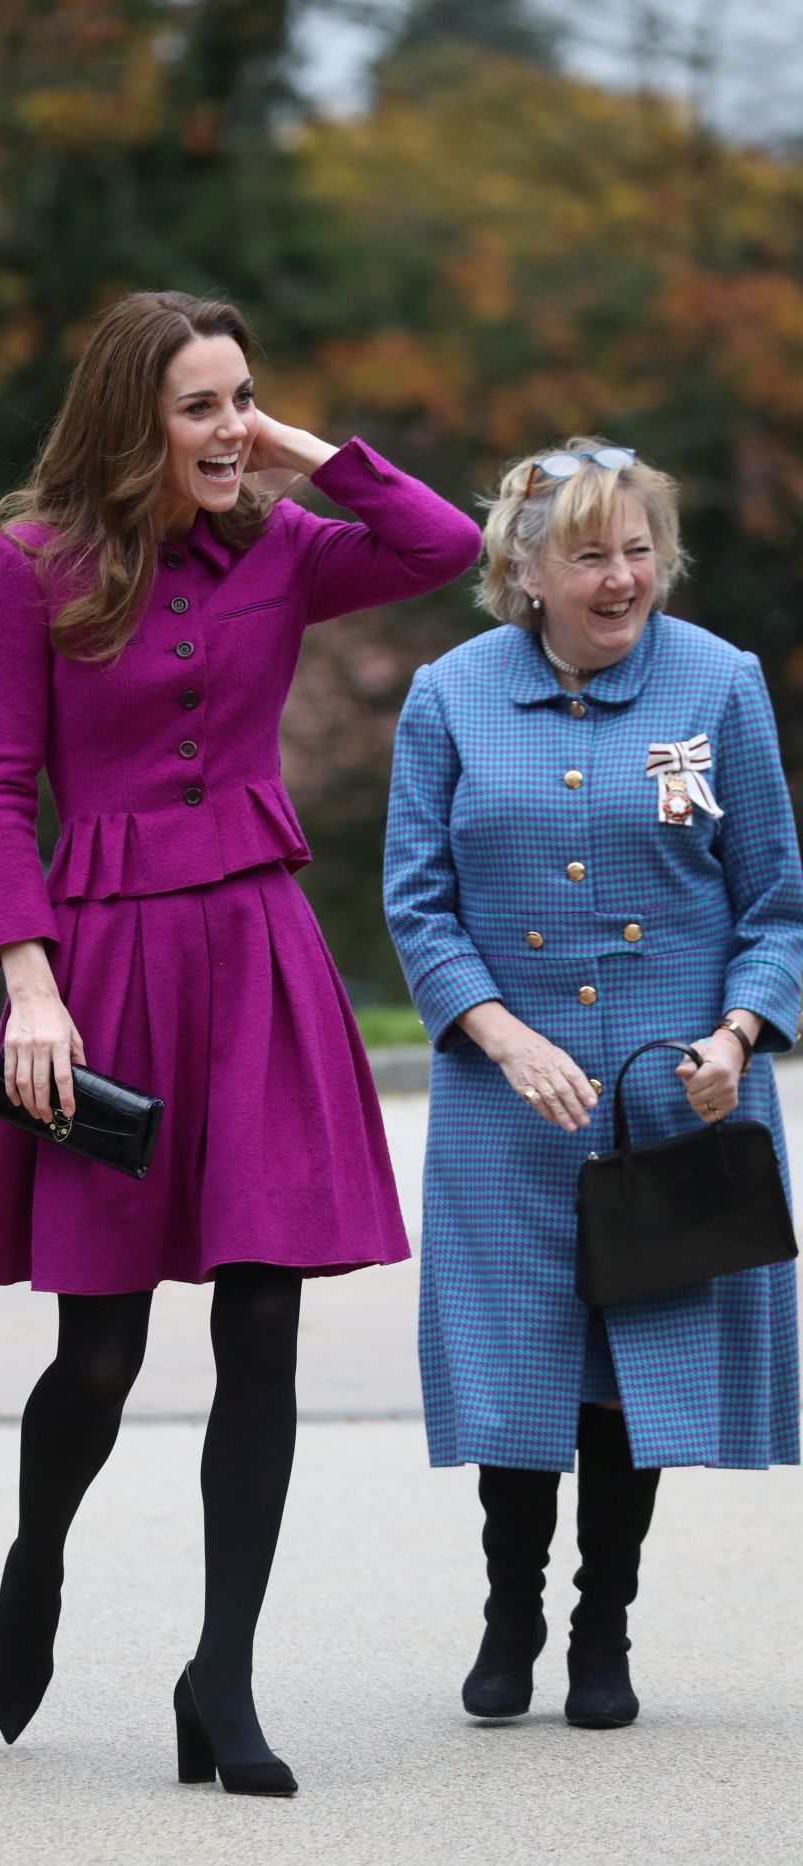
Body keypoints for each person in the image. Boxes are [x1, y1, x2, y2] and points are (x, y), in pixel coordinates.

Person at [0, 289, 482, 1793]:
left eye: (245, 395)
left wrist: (299, 451)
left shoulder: (289, 548)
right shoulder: (29, 569)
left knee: (263, 1325)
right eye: (201, 405)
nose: (232, 426)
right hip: (103, 970)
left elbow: (449, 546)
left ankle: (221, 1677)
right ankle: (38, 1556)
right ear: (130, 420)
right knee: (97, 1351)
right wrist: (30, 986)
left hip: (256, 957)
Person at [383, 438, 803, 1733]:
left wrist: (738, 1036)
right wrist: (500, 1035)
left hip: (676, 1100)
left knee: (636, 1366)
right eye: (592, 555)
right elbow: (421, 906)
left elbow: (775, 906)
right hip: (509, 1111)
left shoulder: (718, 687)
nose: (623, 579)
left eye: (641, 552)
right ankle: (510, 1613)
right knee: (522, 1367)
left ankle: (602, 1626)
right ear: (524, 567)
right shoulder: (449, 698)